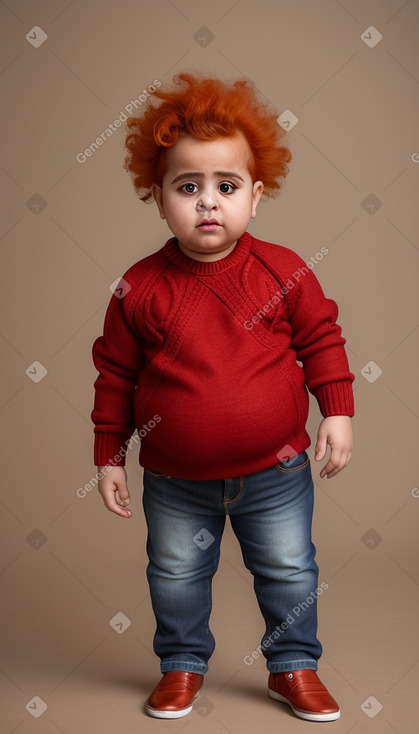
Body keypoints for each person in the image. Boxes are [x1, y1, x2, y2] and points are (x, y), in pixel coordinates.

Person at [91, 72, 354, 722]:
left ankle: (293, 665)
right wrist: (107, 455)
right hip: (177, 479)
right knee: (175, 578)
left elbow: (322, 339)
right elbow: (115, 375)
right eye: (188, 188)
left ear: (255, 197)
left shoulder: (281, 271)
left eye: (226, 187)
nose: (208, 203)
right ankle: (181, 666)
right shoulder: (140, 287)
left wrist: (338, 412)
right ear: (157, 198)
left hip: (277, 471)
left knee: (289, 571)